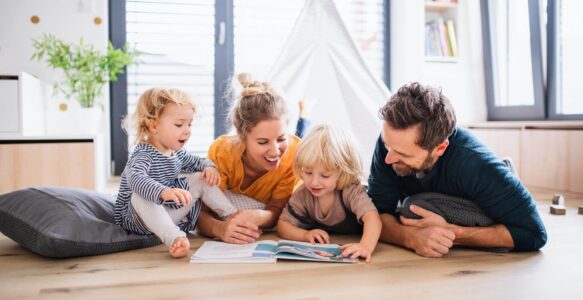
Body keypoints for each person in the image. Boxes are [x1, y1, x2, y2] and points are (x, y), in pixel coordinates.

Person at [368, 82, 547, 258]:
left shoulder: (476, 164)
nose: (388, 158)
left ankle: (507, 175)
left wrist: (453, 234)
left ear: (440, 148)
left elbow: (534, 234)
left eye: (402, 154)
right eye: (386, 145)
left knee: (412, 209)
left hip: (479, 189)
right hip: (445, 195)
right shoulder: (392, 144)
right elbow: (375, 214)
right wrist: (410, 238)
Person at [114, 87, 238, 258]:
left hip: (164, 215)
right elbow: (135, 178)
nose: (187, 130)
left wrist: (209, 168)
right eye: (179, 124)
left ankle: (231, 215)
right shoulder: (144, 154)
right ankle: (175, 238)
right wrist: (163, 192)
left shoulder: (177, 153)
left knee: (199, 178)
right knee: (139, 194)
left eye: (189, 124)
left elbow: (199, 162)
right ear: (154, 125)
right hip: (137, 219)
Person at [196, 73, 301, 244]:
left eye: (281, 139)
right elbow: (201, 211)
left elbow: (278, 210)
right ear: (242, 135)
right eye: (263, 142)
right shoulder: (223, 152)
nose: (275, 151)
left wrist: (260, 216)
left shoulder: (294, 154)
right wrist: (219, 229)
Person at [277, 124, 382, 262]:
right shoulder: (303, 194)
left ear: (342, 172)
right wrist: (305, 235)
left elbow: (373, 218)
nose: (314, 182)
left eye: (325, 176)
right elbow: (283, 225)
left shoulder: (350, 190)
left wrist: (365, 246)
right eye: (308, 172)